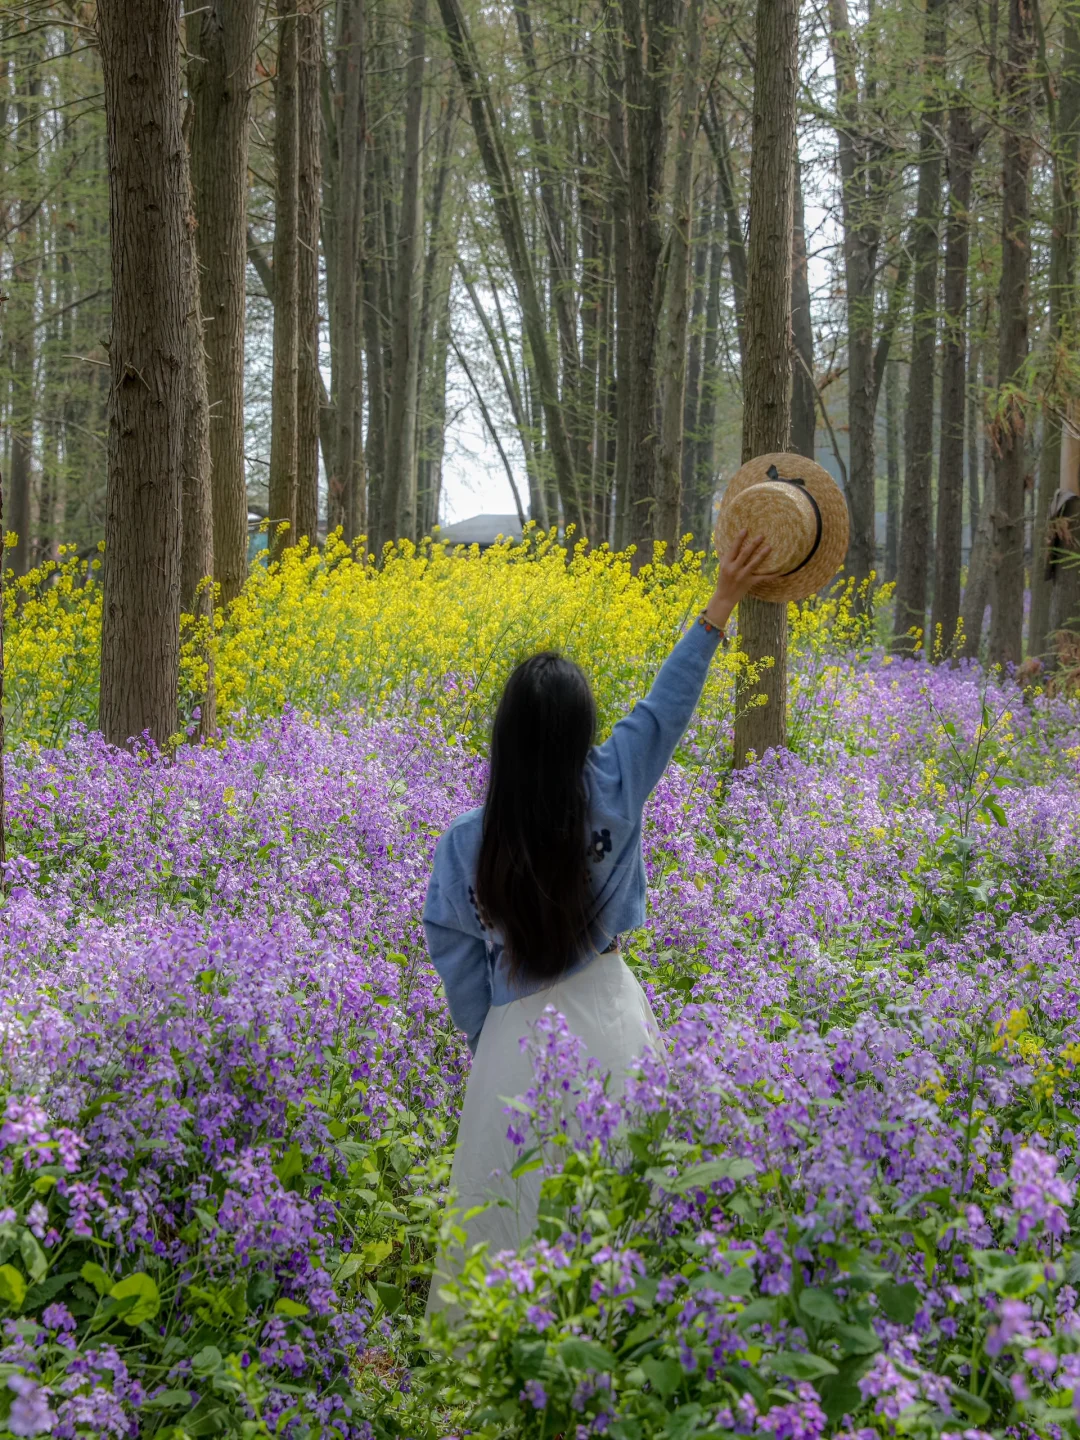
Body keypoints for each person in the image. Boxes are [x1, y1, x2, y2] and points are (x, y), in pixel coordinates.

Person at [422, 531, 771, 1315]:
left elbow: (451, 947)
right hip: (610, 1019)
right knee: (617, 1202)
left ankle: (500, 1363)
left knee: (508, 1214)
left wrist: (488, 1034)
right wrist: (722, 598)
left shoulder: (465, 842)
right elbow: (666, 705)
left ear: (504, 737)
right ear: (583, 735)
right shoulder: (614, 784)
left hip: (513, 1039)